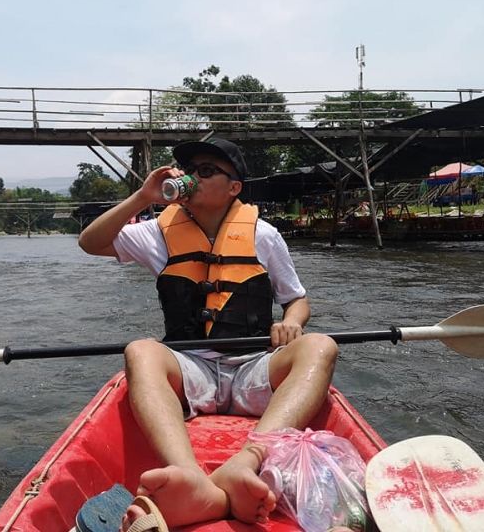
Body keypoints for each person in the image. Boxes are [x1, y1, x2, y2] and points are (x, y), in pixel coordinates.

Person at [78, 138, 338, 528]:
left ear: (234, 187)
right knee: (141, 350)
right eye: (188, 171)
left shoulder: (263, 235)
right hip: (192, 371)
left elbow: (297, 300)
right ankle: (192, 479)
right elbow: (90, 243)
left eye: (205, 171)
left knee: (321, 345)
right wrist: (141, 197)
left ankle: (246, 462)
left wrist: (294, 322)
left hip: (253, 368)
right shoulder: (156, 234)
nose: (191, 179)